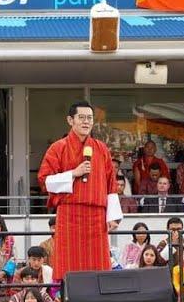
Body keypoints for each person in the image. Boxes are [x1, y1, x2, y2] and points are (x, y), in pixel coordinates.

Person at [37, 101, 122, 280]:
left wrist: (112, 215)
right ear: (70, 120)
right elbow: (44, 181)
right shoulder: (58, 147)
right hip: (70, 214)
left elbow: (110, 182)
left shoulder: (102, 148)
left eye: (89, 118)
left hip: (97, 215)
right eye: (81, 117)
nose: (86, 122)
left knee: (98, 266)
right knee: (70, 264)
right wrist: (73, 174)